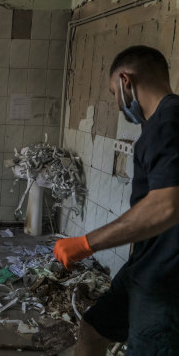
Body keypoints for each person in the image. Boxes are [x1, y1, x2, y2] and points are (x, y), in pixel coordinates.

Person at [53, 46, 179, 355]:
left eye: (113, 92)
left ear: (125, 80)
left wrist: (86, 243)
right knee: (93, 330)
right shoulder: (157, 124)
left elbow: (166, 205)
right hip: (145, 265)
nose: (116, 102)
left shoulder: (169, 122)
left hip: (166, 279)